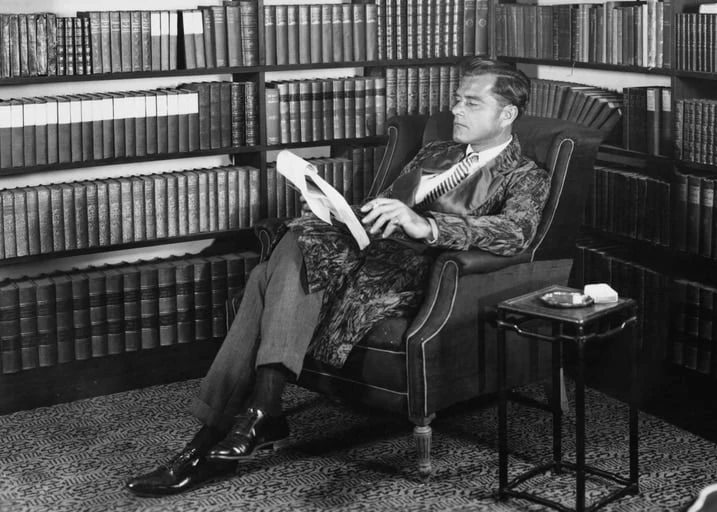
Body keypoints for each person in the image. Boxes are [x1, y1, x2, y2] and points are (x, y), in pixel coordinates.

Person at [126, 57, 551, 496]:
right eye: (457, 101)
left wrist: (428, 226)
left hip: (412, 274)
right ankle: (259, 412)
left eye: (471, 104)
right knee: (299, 238)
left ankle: (221, 434)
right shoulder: (434, 153)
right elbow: (383, 207)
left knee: (268, 276)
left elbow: (515, 233)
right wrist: (339, 210)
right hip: (365, 253)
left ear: (507, 115)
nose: (457, 111)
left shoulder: (524, 175)